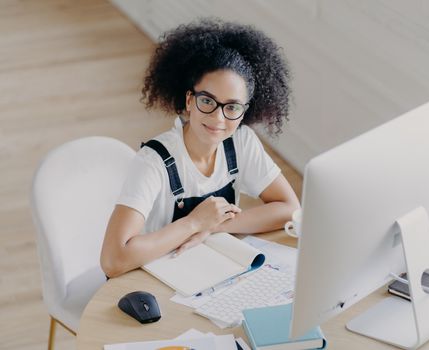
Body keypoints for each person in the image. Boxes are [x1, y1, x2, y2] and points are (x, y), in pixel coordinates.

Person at [100, 19, 300, 278]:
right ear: (189, 100)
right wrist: (194, 222)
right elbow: (113, 260)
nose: (218, 119)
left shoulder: (241, 141)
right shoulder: (153, 161)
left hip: (209, 271)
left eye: (232, 107)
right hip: (152, 279)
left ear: (244, 111)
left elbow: (290, 208)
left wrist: (214, 226)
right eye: (207, 101)